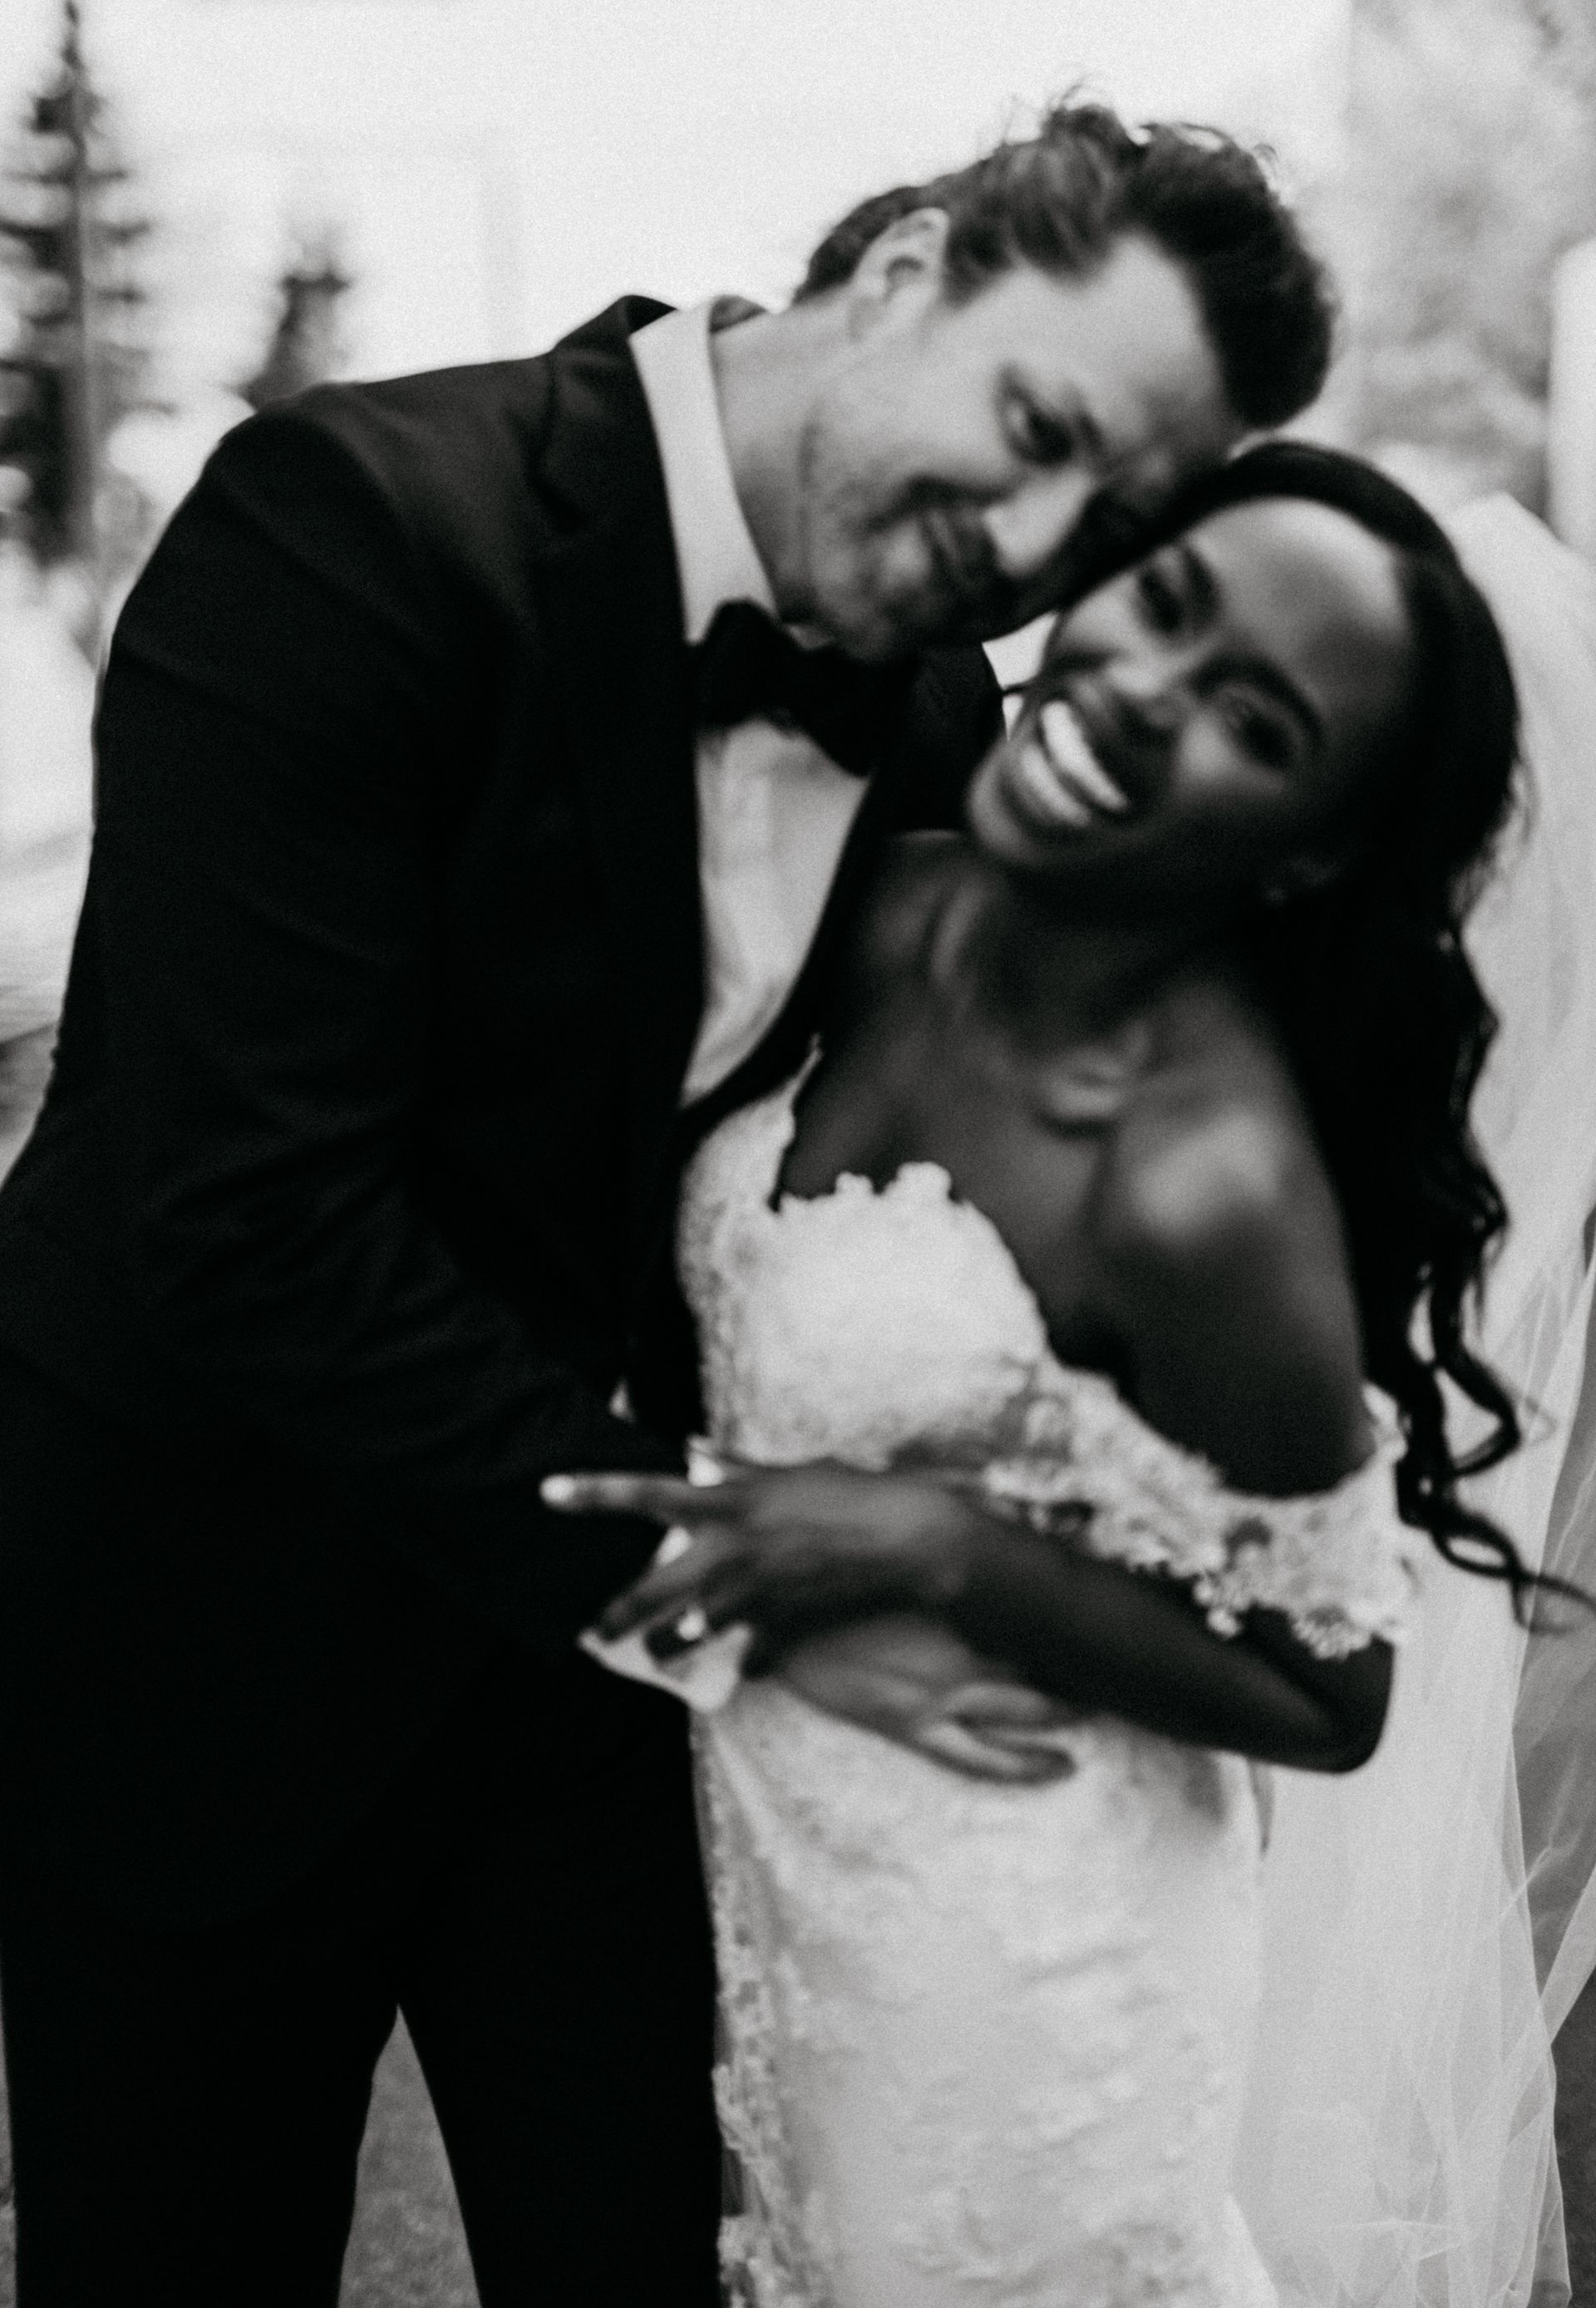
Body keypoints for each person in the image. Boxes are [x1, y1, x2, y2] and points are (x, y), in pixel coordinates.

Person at [0, 106, 1332, 2306]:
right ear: (908, 267)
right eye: (1035, 426)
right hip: (199, 1632)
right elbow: (254, 1224)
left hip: (590, 1732)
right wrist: (762, 1584)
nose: (1034, 537)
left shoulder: (923, 706)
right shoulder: (354, 523)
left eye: (1110, 516)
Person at [559, 441, 1541, 2306]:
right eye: (1163, 603)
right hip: (781, 1852)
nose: (1142, 695)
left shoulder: (1198, 1179)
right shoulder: (878, 897)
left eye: (1252, 719)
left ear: (1313, 844)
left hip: (1015, 1943)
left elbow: (1331, 1694)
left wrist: (938, 1549)